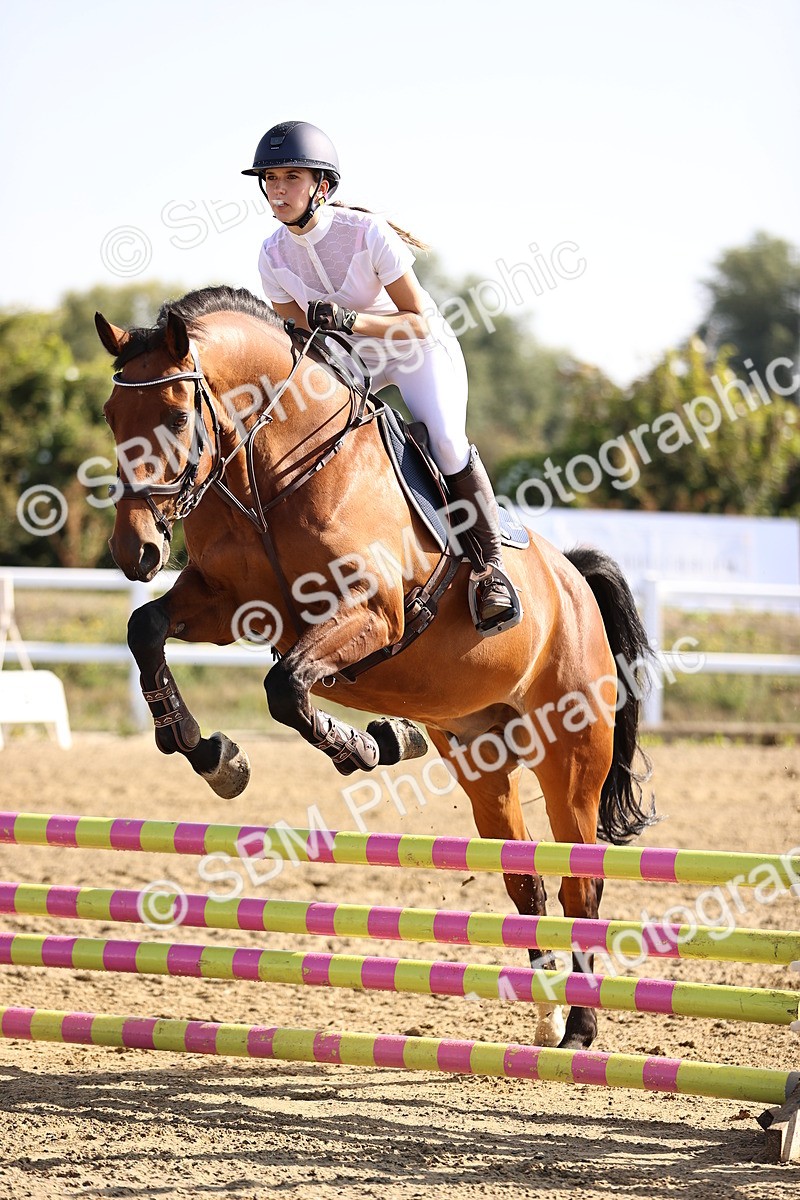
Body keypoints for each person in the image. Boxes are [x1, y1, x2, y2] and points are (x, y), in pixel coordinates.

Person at [242, 120, 519, 634]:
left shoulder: (368, 234)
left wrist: (351, 321)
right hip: (351, 362)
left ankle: (490, 571)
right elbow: (300, 340)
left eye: (291, 177)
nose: (277, 189)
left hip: (415, 348)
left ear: (322, 186)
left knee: (447, 441)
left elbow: (417, 322)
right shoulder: (271, 254)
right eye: (270, 178)